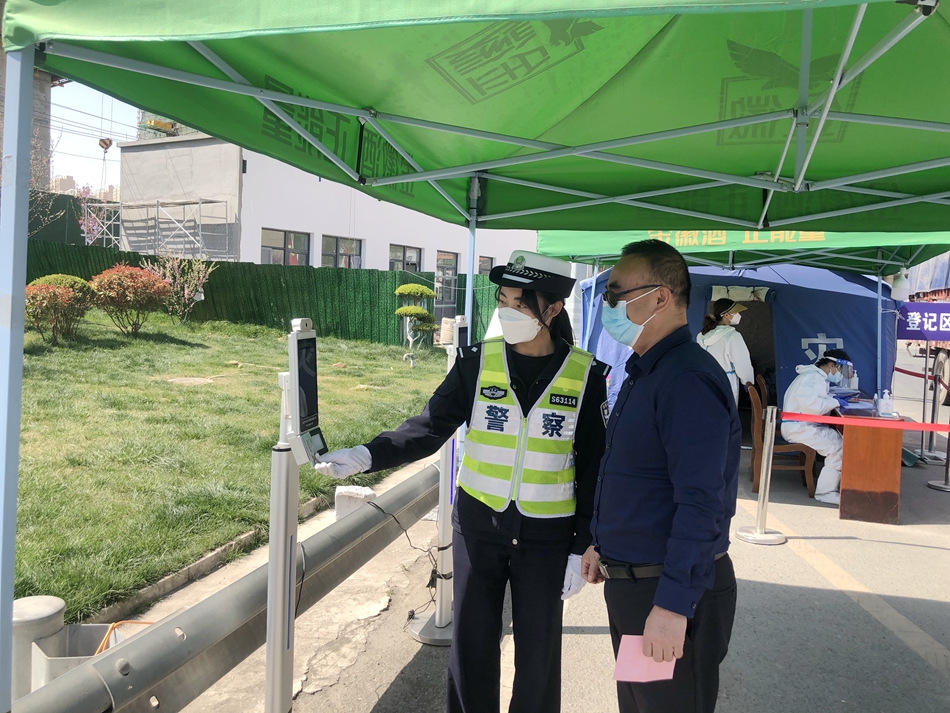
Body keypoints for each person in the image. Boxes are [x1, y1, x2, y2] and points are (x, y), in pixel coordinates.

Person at [314, 250, 609, 713]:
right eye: (503, 301)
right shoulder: (476, 363)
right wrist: (367, 455)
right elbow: (429, 426)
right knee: (471, 648)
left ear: (553, 309)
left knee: (539, 654)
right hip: (479, 528)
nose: (507, 312)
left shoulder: (587, 375)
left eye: (520, 303)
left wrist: (582, 544)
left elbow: (594, 466)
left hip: (548, 536)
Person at [580, 239, 740, 713]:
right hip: (635, 587)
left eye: (616, 293)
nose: (607, 304)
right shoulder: (647, 371)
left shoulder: (686, 379)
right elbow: (638, 477)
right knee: (640, 703)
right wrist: (603, 542)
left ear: (660, 298)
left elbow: (701, 502)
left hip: (664, 592)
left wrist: (672, 605)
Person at [780, 350, 852, 506]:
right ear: (832, 365)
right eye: (840, 370)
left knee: (841, 441)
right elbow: (812, 408)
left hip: (801, 425)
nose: (840, 375)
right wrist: (835, 402)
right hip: (798, 428)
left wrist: (832, 399)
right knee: (838, 448)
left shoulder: (816, 376)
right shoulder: (813, 378)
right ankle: (825, 493)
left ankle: (831, 487)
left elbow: (814, 401)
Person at [696, 298, 754, 404]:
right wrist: (748, 382)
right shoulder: (732, 336)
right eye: (736, 312)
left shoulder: (701, 335)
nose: (738, 315)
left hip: (705, 381)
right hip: (726, 382)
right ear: (726, 315)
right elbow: (742, 363)